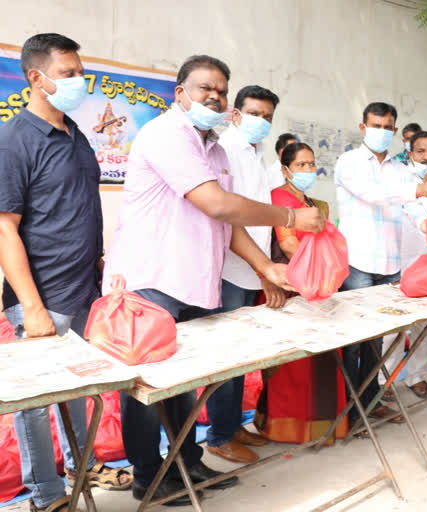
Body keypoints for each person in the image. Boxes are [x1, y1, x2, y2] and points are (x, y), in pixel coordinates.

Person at [103, 54, 324, 506]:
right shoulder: (165, 135)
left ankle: (185, 460)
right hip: (152, 279)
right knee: (146, 388)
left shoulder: (216, 149)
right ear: (180, 93)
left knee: (185, 379)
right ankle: (149, 475)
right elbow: (218, 205)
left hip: (195, 281)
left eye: (221, 90)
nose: (215, 97)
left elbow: (228, 224)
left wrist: (266, 268)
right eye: (206, 88)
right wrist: (289, 215)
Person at [0, 33, 132, 512]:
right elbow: (4, 230)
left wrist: (98, 263)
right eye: (69, 74)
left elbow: (75, 208)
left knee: (77, 389)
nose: (81, 81)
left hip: (82, 292)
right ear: (36, 77)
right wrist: (31, 309)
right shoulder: (14, 139)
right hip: (43, 299)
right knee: (35, 404)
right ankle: (46, 495)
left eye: (81, 72)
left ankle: (80, 468)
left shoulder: (75, 132)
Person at [334, 102, 427, 426]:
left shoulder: (400, 171)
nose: (381, 132)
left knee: (378, 340)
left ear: (396, 131)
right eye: (375, 125)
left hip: (389, 263)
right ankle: (347, 410)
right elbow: (373, 194)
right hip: (357, 262)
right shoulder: (350, 162)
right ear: (362, 127)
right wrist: (417, 189)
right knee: (355, 340)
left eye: (387, 127)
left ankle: (370, 402)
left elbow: (411, 208)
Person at [205, 84, 287, 465]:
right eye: (254, 114)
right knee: (225, 356)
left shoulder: (256, 152)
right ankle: (219, 437)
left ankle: (233, 425)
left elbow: (261, 218)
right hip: (230, 268)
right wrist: (262, 268)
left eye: (267, 117)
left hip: (251, 268)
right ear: (236, 114)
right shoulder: (226, 150)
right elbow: (231, 215)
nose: (261, 122)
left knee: (242, 355)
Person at [263, 142, 350, 444]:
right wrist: (315, 271)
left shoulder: (318, 204)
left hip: (318, 288)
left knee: (324, 357)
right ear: (285, 168)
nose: (308, 170)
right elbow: (286, 243)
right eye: (300, 165)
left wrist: (326, 273)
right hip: (289, 286)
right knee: (293, 364)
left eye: (311, 164)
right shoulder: (277, 198)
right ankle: (286, 428)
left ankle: (325, 427)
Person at [379, 131, 427, 400]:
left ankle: (416, 376)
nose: (426, 156)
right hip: (398, 262)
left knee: (426, 325)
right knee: (393, 325)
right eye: (420, 151)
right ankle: (383, 381)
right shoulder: (397, 179)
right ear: (410, 153)